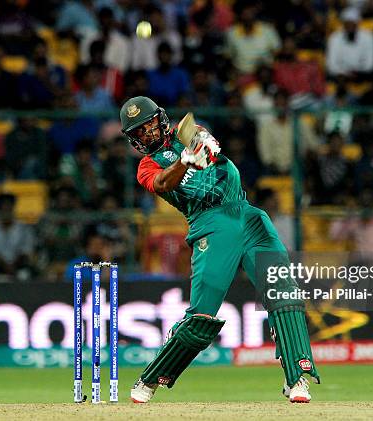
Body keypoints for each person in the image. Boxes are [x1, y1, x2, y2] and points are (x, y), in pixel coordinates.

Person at [120, 96, 319, 403]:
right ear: (135, 140)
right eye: (140, 132)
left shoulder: (185, 132)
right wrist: (185, 160)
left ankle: (297, 379)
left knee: (285, 292)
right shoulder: (147, 166)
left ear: (160, 119)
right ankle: (149, 380)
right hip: (211, 224)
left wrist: (203, 143)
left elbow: (199, 135)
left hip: (247, 214)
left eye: (149, 126)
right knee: (202, 315)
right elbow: (161, 184)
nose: (148, 134)